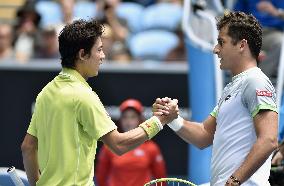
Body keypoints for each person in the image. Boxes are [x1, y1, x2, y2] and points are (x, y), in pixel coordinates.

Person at [20, 19, 178, 186]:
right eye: (99, 50)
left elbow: (28, 147)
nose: (103, 56)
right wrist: (159, 121)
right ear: (82, 54)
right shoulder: (84, 95)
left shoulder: (46, 92)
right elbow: (119, 144)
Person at [153, 11, 278, 185]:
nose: (215, 49)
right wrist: (173, 119)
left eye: (221, 42)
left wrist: (234, 181)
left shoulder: (255, 81)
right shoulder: (232, 87)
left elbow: (269, 140)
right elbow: (204, 135)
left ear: (242, 45)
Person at [95, 99, 167, 186]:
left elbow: (161, 179)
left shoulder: (151, 148)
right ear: (120, 120)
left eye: (133, 117)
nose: (128, 121)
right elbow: (101, 176)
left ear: (140, 120)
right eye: (125, 117)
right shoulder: (109, 146)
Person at [234, 0, 284, 82]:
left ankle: (258, 81)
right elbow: (235, 16)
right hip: (250, 31)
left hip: (273, 32)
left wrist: (275, 12)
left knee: (281, 43)